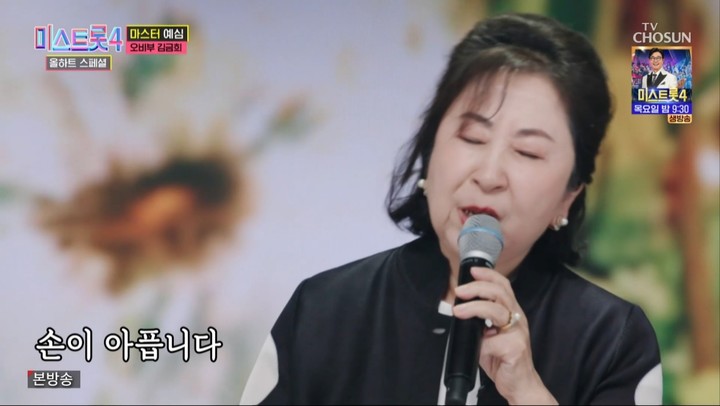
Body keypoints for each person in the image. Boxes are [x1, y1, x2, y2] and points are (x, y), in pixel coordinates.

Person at [241, 13, 662, 405]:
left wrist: (527, 390)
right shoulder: (324, 310)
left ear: (569, 196)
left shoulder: (612, 340)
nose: (489, 174)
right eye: (472, 138)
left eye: (527, 152)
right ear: (430, 149)